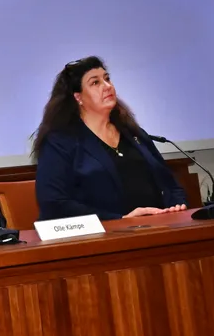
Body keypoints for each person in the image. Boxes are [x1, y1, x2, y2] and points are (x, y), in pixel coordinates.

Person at [33, 56, 189, 221]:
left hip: (157, 228)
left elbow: (171, 185)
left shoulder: (134, 134)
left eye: (107, 79)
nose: (107, 86)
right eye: (95, 83)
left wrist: (176, 206)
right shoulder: (61, 141)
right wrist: (120, 219)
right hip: (99, 238)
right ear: (78, 97)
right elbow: (54, 203)